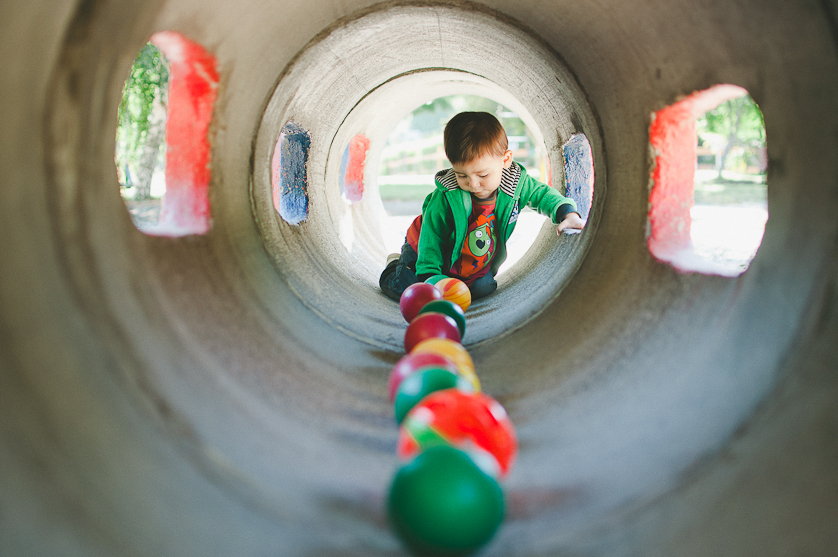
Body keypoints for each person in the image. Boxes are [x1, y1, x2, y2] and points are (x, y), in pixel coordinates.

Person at [379, 111, 585, 301]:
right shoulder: (446, 195)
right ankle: (395, 266)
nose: (473, 183)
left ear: (506, 160)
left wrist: (568, 214)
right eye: (462, 175)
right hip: (423, 251)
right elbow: (431, 236)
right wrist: (430, 276)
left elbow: (542, 195)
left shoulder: (515, 185)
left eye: (483, 174)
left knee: (483, 290)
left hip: (469, 264)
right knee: (409, 291)